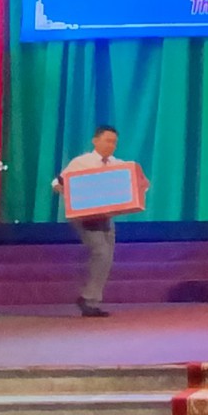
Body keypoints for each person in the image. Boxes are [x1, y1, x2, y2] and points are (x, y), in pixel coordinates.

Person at [51, 124, 142, 318]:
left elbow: (133, 179)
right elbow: (57, 182)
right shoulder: (81, 162)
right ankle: (87, 298)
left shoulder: (117, 164)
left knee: (106, 257)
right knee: (101, 252)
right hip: (84, 216)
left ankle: (91, 301)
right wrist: (70, 192)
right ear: (95, 141)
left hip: (106, 216)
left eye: (114, 142)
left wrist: (140, 184)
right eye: (107, 141)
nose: (111, 145)